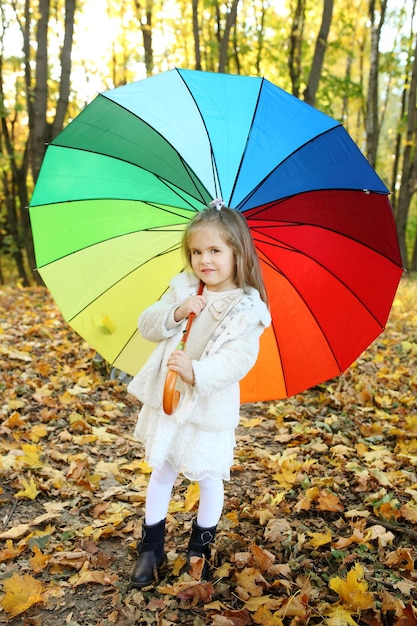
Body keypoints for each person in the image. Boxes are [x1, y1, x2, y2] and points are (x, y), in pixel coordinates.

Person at [127, 201, 271, 588]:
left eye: (215, 251)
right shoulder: (185, 288)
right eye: (196, 251)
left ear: (237, 253)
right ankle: (151, 547)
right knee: (162, 470)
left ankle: (198, 551)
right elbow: (147, 323)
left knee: (208, 479)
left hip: (207, 408)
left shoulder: (246, 308)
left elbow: (238, 360)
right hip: (170, 402)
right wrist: (176, 311)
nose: (204, 260)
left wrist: (198, 372)